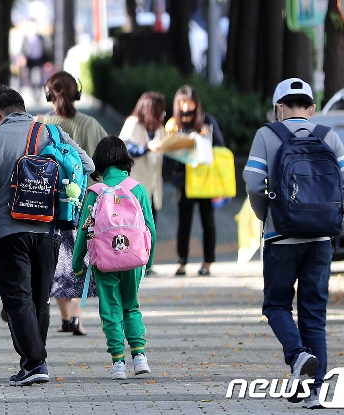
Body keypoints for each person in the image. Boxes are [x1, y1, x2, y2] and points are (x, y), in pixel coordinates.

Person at [243, 78, 344, 408]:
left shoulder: (268, 135)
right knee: (313, 315)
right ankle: (316, 393)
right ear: (311, 108)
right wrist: (324, 210)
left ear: (279, 107)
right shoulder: (329, 137)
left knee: (276, 305)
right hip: (322, 239)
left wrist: (268, 214)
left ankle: (297, 356)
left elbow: (252, 183)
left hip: (281, 237)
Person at [0, 85, 94, 386]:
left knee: (18, 299)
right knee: (40, 299)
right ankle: (33, 362)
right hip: (50, 229)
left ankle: (35, 362)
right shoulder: (52, 134)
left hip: (9, 231)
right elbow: (88, 165)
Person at [72, 135, 156, 380]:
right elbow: (149, 227)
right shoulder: (138, 189)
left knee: (110, 310)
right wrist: (148, 261)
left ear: (100, 162)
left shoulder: (94, 192)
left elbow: (84, 230)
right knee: (131, 305)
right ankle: (139, 356)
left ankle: (118, 362)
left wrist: (78, 264)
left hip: (105, 261)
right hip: (134, 259)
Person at [41, 71, 107, 335]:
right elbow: (106, 157)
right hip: (84, 201)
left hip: (50, 202)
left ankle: (65, 318)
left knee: (58, 258)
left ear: (49, 94)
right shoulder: (91, 124)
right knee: (81, 256)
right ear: (77, 93)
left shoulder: (42, 124)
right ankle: (78, 317)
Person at [165, 85, 225, 276]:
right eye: (182, 102)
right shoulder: (173, 124)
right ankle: (182, 262)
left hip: (205, 179)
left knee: (208, 221)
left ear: (196, 102)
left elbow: (220, 146)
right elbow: (167, 155)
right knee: (184, 222)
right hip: (183, 180)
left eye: (189, 102)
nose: (186, 107)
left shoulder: (207, 120)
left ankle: (207, 262)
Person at [119, 92, 166, 222]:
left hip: (152, 184)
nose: (162, 114)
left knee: (150, 226)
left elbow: (162, 156)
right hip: (133, 185)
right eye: (160, 111)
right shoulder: (133, 124)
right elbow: (126, 150)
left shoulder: (160, 128)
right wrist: (147, 147)